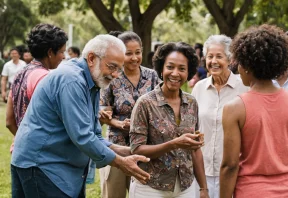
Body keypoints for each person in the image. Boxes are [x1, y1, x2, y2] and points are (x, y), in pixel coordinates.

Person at [11, 34, 151, 198]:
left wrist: (127, 151)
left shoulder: (92, 81)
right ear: (91, 58)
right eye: (112, 67)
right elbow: (83, 136)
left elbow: (94, 135)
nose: (115, 75)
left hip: (56, 166)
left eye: (119, 69)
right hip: (42, 165)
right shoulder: (72, 80)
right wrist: (121, 163)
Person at [220, 24, 288, 198]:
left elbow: (230, 166)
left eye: (239, 64)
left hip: (251, 192)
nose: (238, 69)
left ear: (247, 65)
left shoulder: (234, 108)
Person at [129, 42, 209, 198]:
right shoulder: (145, 103)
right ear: (161, 68)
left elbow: (195, 149)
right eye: (170, 67)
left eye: (182, 69)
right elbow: (136, 149)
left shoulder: (191, 103)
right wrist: (174, 144)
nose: (175, 73)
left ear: (189, 72)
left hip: (185, 187)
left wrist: (203, 188)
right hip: (149, 186)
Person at [99, 31, 160, 198]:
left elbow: (162, 106)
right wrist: (119, 124)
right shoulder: (111, 77)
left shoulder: (153, 76)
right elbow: (104, 111)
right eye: (128, 53)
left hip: (145, 148)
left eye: (137, 52)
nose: (134, 58)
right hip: (116, 148)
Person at [191, 34, 248, 198]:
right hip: (202, 171)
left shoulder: (244, 88)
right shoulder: (199, 89)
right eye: (210, 56)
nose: (213, 61)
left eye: (219, 56)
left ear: (230, 59)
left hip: (234, 170)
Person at [5, 24, 67, 154]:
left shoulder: (19, 74)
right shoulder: (45, 78)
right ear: (50, 52)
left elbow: (9, 121)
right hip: (42, 157)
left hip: (21, 153)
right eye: (62, 52)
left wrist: (22, 138)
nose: (64, 57)